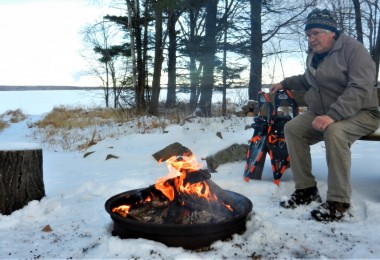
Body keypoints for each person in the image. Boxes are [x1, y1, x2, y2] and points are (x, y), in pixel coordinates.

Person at [270, 8, 380, 222]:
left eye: (316, 33)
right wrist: (284, 83)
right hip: (324, 112)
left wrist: (333, 115)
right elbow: (307, 80)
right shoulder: (315, 55)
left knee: (335, 132)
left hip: (362, 113)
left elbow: (360, 87)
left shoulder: (353, 50)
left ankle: (339, 202)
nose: (311, 39)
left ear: (332, 32)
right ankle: (306, 190)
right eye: (309, 35)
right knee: (293, 129)